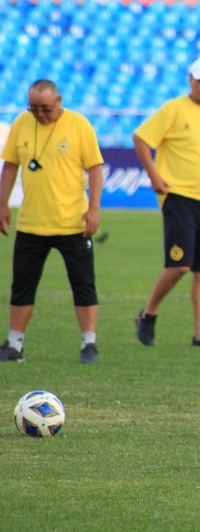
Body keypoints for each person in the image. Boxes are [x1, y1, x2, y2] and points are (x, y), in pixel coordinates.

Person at [0, 79, 104, 364]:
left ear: (59, 101)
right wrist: (2, 204)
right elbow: (10, 165)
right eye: (33, 107)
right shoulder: (22, 123)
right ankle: (15, 345)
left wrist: (94, 209)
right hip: (31, 223)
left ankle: (89, 344)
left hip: (73, 223)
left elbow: (95, 168)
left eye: (45, 108)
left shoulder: (79, 125)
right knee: (22, 286)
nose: (40, 113)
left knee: (83, 285)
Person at [133, 56, 200, 348]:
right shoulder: (173, 109)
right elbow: (141, 138)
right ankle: (148, 314)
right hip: (178, 196)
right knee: (179, 265)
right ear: (190, 80)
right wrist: (154, 175)